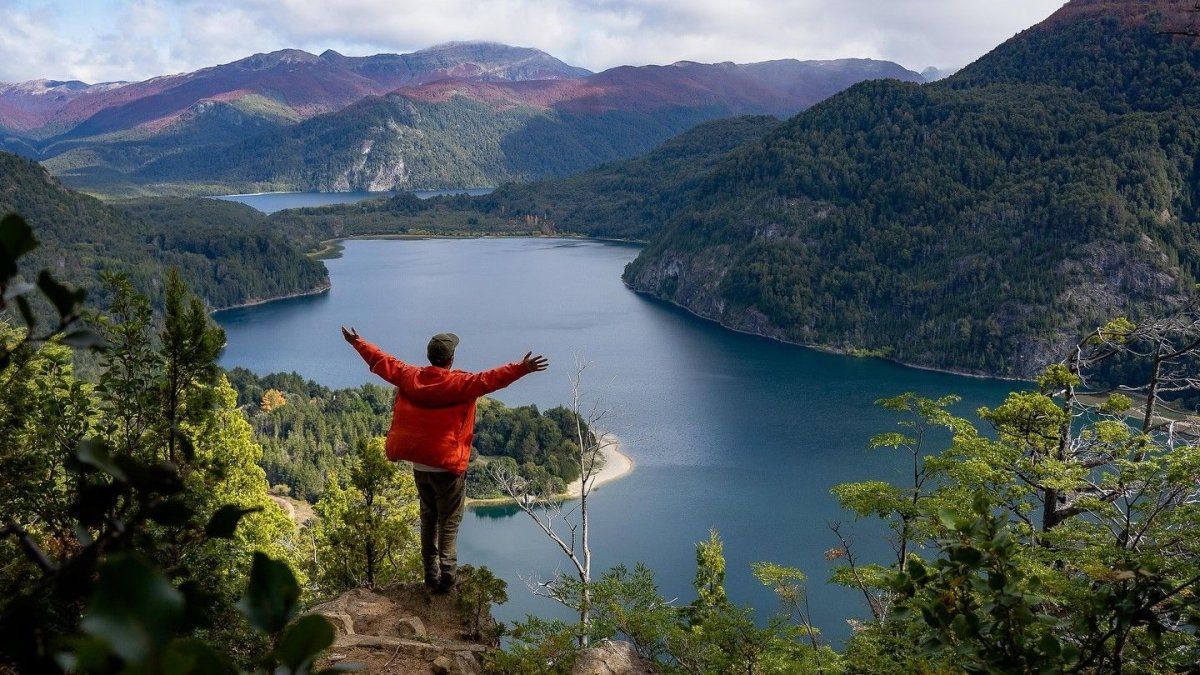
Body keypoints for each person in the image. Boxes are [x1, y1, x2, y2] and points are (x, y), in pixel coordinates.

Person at [341, 326, 548, 593]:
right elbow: (492, 379)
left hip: (419, 464)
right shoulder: (460, 384)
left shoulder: (409, 376)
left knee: (428, 518)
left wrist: (358, 342)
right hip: (448, 467)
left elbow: (381, 361)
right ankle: (448, 579)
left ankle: (430, 575)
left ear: (429, 356)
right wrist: (522, 367)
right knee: (448, 522)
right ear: (450, 360)